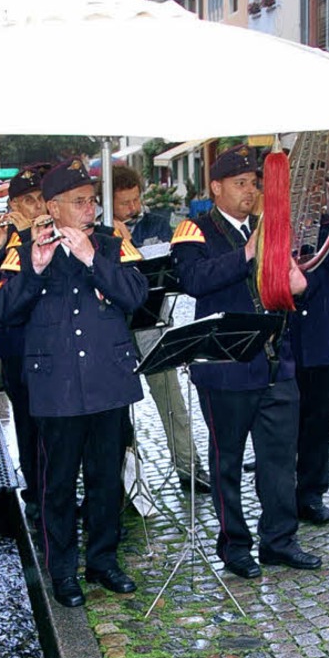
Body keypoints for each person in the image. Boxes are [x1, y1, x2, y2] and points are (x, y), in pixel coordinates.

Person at [0, 157, 147, 608]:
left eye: (91, 200)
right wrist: (36, 272)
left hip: (107, 382)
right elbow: (2, 313)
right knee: (57, 485)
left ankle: (102, 560)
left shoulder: (112, 245)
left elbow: (137, 296)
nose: (89, 209)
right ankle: (62, 571)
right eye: (79, 202)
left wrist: (93, 259)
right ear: (53, 207)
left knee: (105, 478)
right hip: (56, 387)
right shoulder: (25, 250)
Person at [170, 144, 321, 579]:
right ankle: (234, 546)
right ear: (216, 187)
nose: (250, 192)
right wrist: (249, 252)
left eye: (254, 184)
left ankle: (280, 540)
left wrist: (299, 286)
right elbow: (196, 280)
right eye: (240, 184)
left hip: (276, 362)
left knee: (279, 458)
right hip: (225, 369)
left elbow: (285, 288)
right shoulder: (194, 230)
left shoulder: (266, 227)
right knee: (227, 461)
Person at [111, 166, 210, 494]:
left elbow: (177, 265)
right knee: (116, 414)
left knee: (172, 402)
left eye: (136, 200)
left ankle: (189, 467)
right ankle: (126, 480)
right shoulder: (99, 231)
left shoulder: (156, 223)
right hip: (114, 333)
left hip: (153, 326)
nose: (133, 208)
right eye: (124, 203)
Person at [0, 166, 50, 518]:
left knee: (56, 421)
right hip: (17, 345)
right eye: (27, 201)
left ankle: (57, 488)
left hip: (51, 341)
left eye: (41, 199)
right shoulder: (5, 237)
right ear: (14, 204)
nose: (36, 207)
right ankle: (34, 490)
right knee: (27, 420)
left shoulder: (51, 233)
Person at [288, 216, 329, 525]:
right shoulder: (272, 220)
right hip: (286, 335)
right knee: (284, 419)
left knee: (319, 419)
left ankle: (311, 493)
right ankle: (280, 490)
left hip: (325, 335)